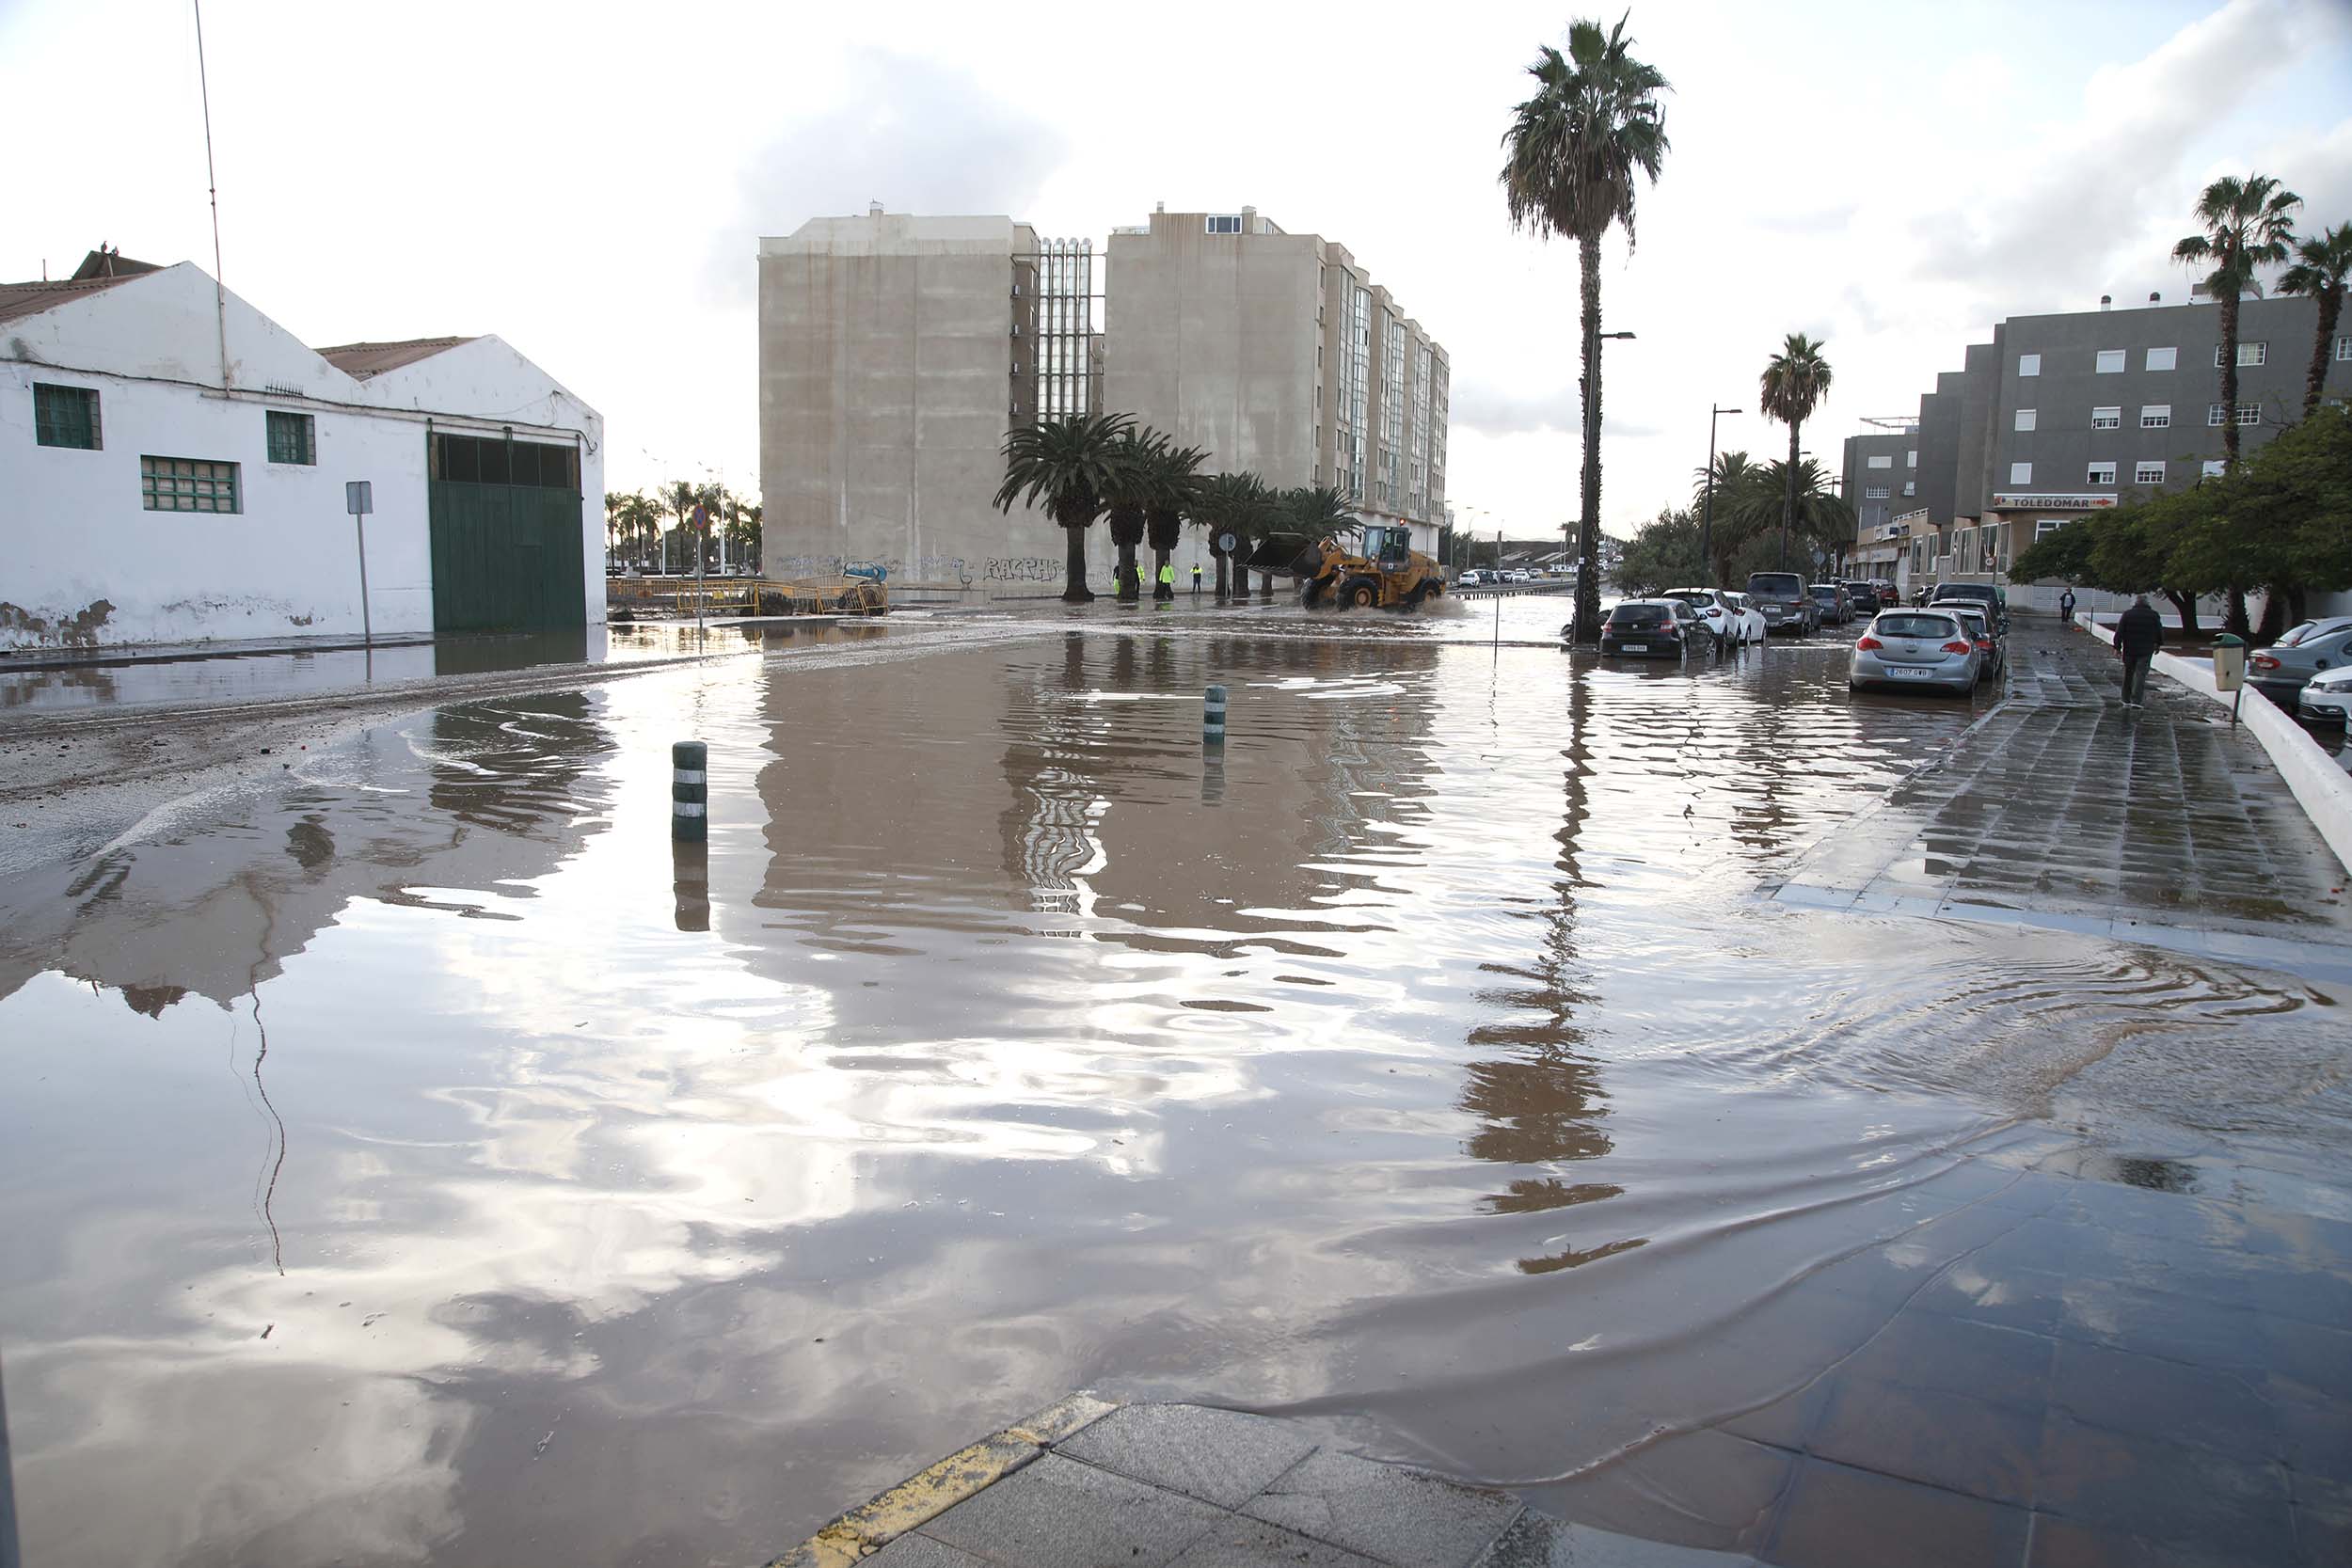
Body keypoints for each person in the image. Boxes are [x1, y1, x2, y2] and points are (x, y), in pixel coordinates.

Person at [2116, 593, 2164, 707]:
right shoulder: (2153, 615)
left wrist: (2117, 647)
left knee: (2128, 673)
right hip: (2146, 650)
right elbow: (2159, 631)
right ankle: (2136, 701)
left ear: (2135, 603)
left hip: (2129, 649)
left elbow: (2119, 632)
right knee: (2140, 674)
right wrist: (2158, 644)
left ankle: (2125, 699)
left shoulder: (2127, 614)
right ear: (2148, 604)